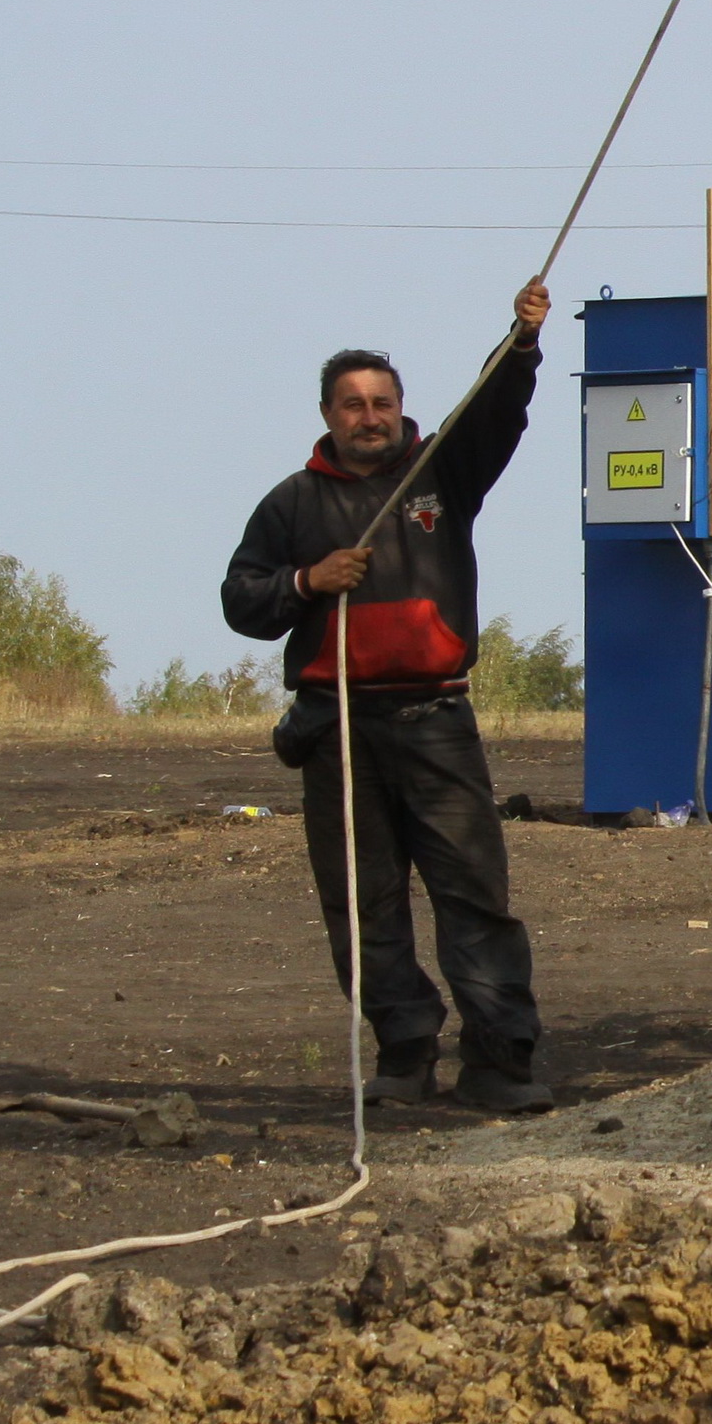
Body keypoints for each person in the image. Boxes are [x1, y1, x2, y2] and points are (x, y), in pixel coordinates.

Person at [221, 283, 554, 1112]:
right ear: (328, 413)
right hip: (336, 733)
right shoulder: (292, 504)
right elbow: (241, 600)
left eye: (383, 402)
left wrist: (521, 342)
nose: (369, 417)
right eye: (352, 404)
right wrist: (308, 580)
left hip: (437, 721)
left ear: (401, 408)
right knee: (364, 907)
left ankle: (500, 1064)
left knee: (475, 896)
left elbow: (495, 410)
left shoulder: (445, 471)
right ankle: (405, 1055)